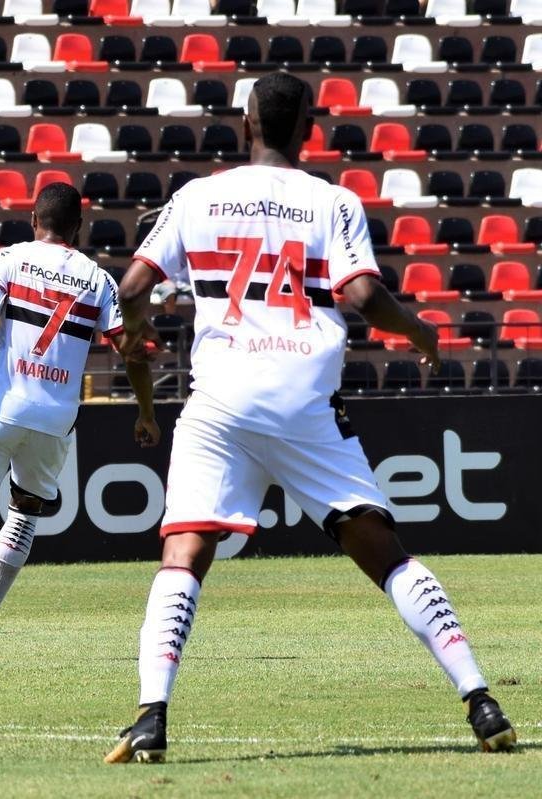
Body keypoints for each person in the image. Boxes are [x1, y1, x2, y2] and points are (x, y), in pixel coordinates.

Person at [104, 72, 516, 763]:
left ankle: (151, 714)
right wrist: (419, 334)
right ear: (310, 132)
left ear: (244, 125)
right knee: (384, 551)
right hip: (303, 395)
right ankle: (480, 698)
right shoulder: (332, 201)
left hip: (221, 398)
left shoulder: (197, 196)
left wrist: (136, 328)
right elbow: (361, 293)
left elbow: (133, 288)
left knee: (183, 553)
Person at [0, 183, 158, 664]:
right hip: (57, 418)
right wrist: (146, 413)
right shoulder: (100, 280)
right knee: (25, 511)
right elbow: (130, 351)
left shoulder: (7, 259)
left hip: (2, 405)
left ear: (33, 220)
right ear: (79, 228)